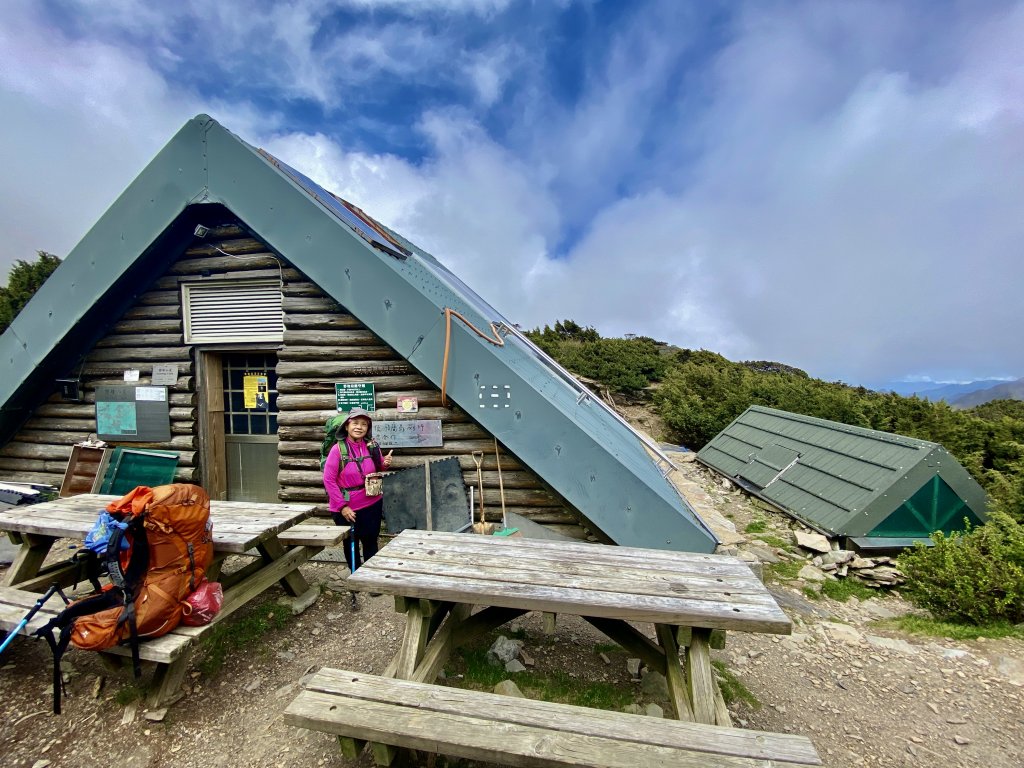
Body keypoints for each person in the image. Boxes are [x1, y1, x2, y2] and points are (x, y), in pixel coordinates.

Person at [322, 407, 393, 570]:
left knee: (370, 541)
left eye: (364, 424)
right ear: (347, 426)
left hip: (372, 502)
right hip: (348, 507)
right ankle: (355, 575)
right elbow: (328, 480)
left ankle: (370, 576)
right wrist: (342, 507)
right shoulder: (337, 450)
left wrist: (385, 464)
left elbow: (378, 468)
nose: (359, 427)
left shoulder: (372, 446)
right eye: (355, 423)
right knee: (350, 543)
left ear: (368, 428)